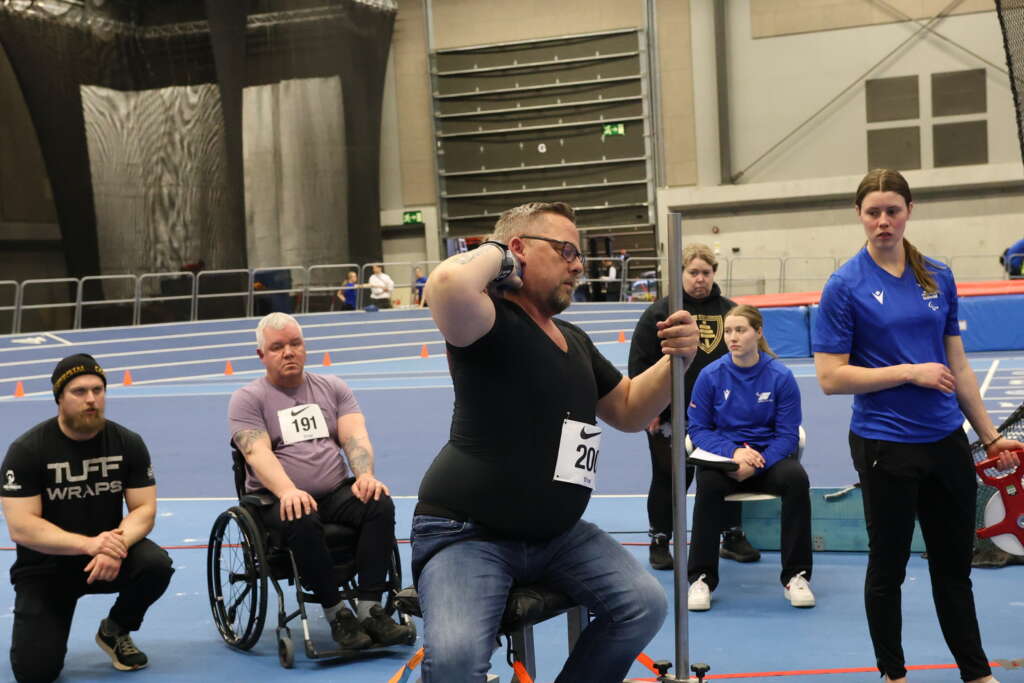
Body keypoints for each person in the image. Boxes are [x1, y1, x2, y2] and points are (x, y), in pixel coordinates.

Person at [412, 201, 699, 683]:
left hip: (556, 535)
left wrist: (678, 360)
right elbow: (445, 283)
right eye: (566, 251)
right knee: (457, 660)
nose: (578, 265)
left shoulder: (574, 339)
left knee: (643, 605)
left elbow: (630, 409)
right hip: (468, 533)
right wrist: (500, 255)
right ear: (518, 250)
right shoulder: (485, 321)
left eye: (578, 254)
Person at [813, 168, 1023, 683]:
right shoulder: (844, 286)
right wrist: (909, 372)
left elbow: (959, 365)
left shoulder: (938, 276)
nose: (883, 221)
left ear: (909, 211)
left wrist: (991, 436)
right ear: (859, 215)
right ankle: (894, 674)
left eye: (893, 210)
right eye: (873, 212)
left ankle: (976, 673)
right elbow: (830, 378)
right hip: (885, 445)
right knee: (888, 568)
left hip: (946, 442)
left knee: (954, 570)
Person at [228, 312, 411, 650]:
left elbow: (355, 436)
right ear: (261, 355)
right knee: (299, 512)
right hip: (276, 500)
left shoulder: (333, 387)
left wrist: (365, 476)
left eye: (295, 344)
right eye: (277, 347)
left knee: (378, 502)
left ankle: (370, 609)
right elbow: (256, 452)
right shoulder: (248, 398)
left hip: (334, 493)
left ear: (304, 347)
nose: (289, 352)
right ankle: (336, 612)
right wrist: (287, 490)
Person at [1, 354, 174, 681]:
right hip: (46, 567)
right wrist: (89, 545)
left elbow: (144, 509)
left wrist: (115, 545)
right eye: (79, 391)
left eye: (98, 390)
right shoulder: (27, 450)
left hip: (108, 558)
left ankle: (115, 629)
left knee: (155, 565)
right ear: (59, 398)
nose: (91, 399)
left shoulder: (127, 442)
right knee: (35, 673)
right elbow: (22, 527)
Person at [629, 243, 758, 570]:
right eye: (693, 272)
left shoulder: (731, 312)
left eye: (706, 272)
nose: (700, 279)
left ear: (715, 273)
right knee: (670, 477)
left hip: (723, 417)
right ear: (681, 273)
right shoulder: (661, 313)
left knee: (728, 473)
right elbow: (640, 362)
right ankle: (660, 540)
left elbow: (750, 361)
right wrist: (649, 408)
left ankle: (731, 535)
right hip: (671, 415)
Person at [686, 305, 811, 611]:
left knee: (797, 479)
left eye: (740, 330)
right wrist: (734, 453)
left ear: (758, 332)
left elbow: (788, 435)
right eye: (728, 331)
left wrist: (757, 462)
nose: (733, 337)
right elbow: (698, 429)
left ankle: (796, 576)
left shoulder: (780, 376)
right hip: (725, 460)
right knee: (708, 484)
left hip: (766, 461)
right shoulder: (710, 375)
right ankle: (701, 578)